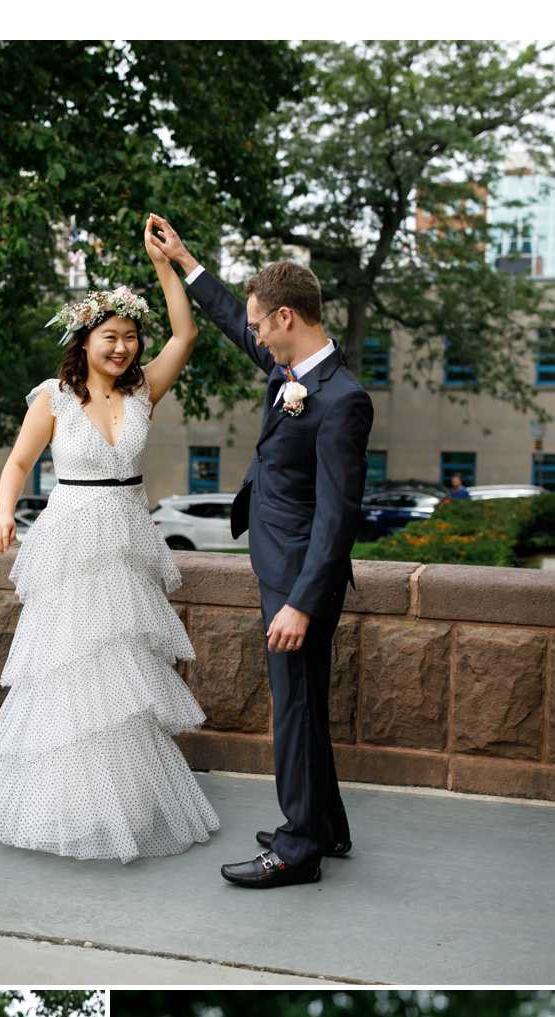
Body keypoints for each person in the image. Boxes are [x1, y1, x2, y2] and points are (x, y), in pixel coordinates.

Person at [0, 218, 218, 862]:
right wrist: (2, 513)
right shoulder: (52, 397)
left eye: (131, 339)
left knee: (123, 673)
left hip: (127, 540)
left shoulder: (143, 391)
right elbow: (19, 463)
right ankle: (66, 798)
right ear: (85, 342)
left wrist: (166, 265)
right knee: (70, 669)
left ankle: (127, 799)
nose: (124, 349)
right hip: (71, 538)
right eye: (112, 338)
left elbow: (186, 333)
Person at [149, 214, 372, 890]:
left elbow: (339, 516)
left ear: (284, 318)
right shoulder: (292, 371)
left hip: (301, 579)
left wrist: (301, 604)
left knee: (293, 709)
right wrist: (186, 261)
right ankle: (326, 827)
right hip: (280, 567)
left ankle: (298, 848)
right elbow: (222, 317)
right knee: (301, 704)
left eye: (258, 324)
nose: (252, 334)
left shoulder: (341, 399)